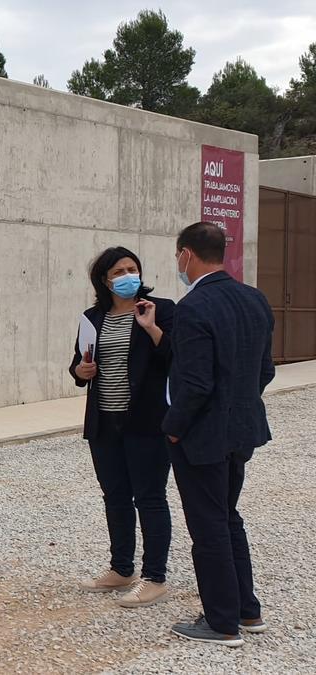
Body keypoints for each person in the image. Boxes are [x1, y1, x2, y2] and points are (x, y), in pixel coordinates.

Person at [164, 222, 275, 648]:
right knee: (228, 517)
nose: (178, 264)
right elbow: (264, 369)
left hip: (202, 436)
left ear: (187, 255)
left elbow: (194, 384)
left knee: (208, 525)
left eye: (178, 256)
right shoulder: (255, 299)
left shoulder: (194, 307)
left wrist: (173, 429)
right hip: (241, 431)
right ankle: (246, 609)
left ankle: (221, 622)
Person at [69, 247, 175, 608]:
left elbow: (175, 358)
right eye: (119, 271)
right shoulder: (93, 316)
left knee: (149, 497)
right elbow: (79, 364)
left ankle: (155, 577)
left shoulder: (159, 309)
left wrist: (152, 329)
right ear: (105, 279)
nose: (128, 275)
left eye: (133, 269)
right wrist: (80, 372)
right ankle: (121, 569)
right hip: (104, 421)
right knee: (115, 497)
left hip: (146, 422)